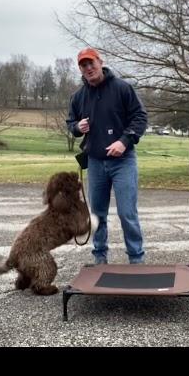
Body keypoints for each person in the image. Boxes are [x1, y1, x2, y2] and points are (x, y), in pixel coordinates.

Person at [67, 47, 148, 265]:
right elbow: (70, 123)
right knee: (97, 214)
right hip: (95, 162)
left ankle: (136, 260)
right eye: (83, 65)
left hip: (123, 161)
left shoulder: (122, 88)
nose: (88, 68)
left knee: (127, 213)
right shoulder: (78, 97)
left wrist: (124, 141)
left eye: (91, 63)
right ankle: (100, 258)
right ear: (81, 70)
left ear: (100, 62)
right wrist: (77, 127)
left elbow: (140, 117)